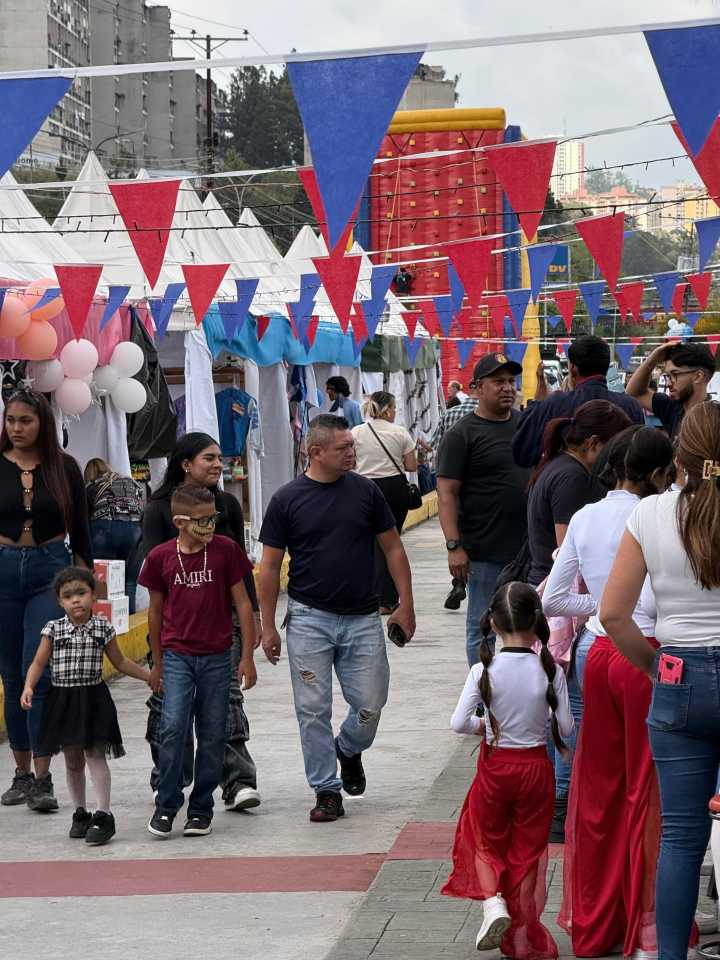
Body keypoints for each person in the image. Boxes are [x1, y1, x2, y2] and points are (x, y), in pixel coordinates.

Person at [543, 427, 676, 956]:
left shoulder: (584, 516)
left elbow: (553, 598)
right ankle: (646, 932)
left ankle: (596, 924)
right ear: (663, 472)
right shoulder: (666, 514)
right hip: (649, 654)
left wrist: (600, 610)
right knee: (649, 792)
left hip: (597, 656)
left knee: (596, 792)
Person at [600, 402, 720, 960]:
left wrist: (655, 669)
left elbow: (614, 614)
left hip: (678, 675)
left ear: (680, 453)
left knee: (680, 835)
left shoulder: (649, 515)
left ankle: (672, 953)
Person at [258, 414, 416, 823]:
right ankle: (326, 789)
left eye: (352, 445)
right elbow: (270, 567)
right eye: (344, 447)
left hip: (363, 618)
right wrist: (267, 625)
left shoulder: (366, 492)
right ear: (316, 452)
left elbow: (394, 549)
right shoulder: (287, 500)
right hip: (309, 619)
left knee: (371, 703)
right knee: (312, 709)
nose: (353, 451)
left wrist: (406, 603)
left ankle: (347, 748)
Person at [442, 582, 574, 959]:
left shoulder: (482, 670)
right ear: (538, 623)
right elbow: (566, 728)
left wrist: (484, 727)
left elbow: (458, 723)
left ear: (494, 624)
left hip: (497, 767)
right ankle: (520, 935)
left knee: (485, 840)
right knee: (527, 850)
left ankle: (491, 902)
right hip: (536, 768)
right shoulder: (550, 671)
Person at [142, 432, 262, 812]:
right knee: (168, 708)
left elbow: (241, 568)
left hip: (223, 619)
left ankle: (237, 780)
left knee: (226, 700)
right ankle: (168, 779)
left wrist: (254, 617)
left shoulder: (226, 503)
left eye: (218, 458)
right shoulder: (158, 509)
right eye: (208, 458)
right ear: (185, 464)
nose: (217, 464)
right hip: (176, 624)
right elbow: (155, 575)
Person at [0, 388, 92, 814]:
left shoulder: (65, 468)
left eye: (25, 421)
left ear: (43, 424)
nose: (16, 428)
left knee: (38, 673)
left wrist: (87, 581)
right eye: (11, 420)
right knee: (11, 675)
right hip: (2, 569)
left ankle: (42, 776)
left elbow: (82, 526)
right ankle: (19, 771)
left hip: (50, 572)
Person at [21, 567, 151, 845]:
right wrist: (29, 686)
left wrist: (149, 677)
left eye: (81, 593)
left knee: (95, 755)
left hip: (93, 698)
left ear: (93, 596)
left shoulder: (103, 628)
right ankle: (80, 812)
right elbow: (38, 663)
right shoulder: (53, 629)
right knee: (73, 761)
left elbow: (121, 661)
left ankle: (103, 813)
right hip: (63, 700)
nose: (75, 600)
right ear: (60, 602)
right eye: (68, 596)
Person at [436, 353, 529, 666]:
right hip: (485, 550)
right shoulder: (461, 434)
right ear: (476, 388)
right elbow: (446, 493)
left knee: (531, 623)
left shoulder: (523, 425)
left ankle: (521, 690)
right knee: (483, 626)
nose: (507, 388)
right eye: (498, 381)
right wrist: (454, 545)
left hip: (529, 548)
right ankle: (483, 696)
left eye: (510, 381)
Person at [527, 400, 632, 587]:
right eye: (614, 447)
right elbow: (567, 550)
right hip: (559, 589)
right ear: (593, 442)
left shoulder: (560, 465)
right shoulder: (572, 478)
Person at [513, 336, 644, 468]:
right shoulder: (631, 406)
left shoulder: (555, 404)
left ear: (573, 368)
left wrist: (537, 405)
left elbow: (523, 453)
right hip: (615, 486)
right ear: (606, 365)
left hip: (564, 485)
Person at [352, 391, 417, 613]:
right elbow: (411, 466)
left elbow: (350, 463)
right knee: (392, 543)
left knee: (367, 543)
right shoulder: (400, 433)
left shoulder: (357, 432)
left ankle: (366, 594)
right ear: (388, 410)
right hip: (394, 489)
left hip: (364, 489)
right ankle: (387, 599)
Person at [430, 385, 477, 611]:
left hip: (450, 483)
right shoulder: (492, 413)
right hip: (477, 489)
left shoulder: (449, 414)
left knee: (457, 536)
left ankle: (459, 581)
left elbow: (435, 445)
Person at [84, 457, 143, 614]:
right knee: (129, 583)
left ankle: (103, 625)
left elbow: (83, 519)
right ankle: (128, 624)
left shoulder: (92, 486)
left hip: (105, 527)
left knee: (103, 582)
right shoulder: (131, 482)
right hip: (135, 528)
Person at [626, 341, 716, 439]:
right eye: (668, 376)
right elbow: (634, 393)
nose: (668, 383)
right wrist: (652, 360)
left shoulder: (714, 420)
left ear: (698, 376)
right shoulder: (673, 408)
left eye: (675, 374)